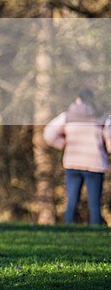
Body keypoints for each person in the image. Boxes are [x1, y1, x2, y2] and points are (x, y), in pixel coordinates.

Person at [44, 88, 109, 225]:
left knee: (72, 200)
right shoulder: (101, 117)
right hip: (95, 163)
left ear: (78, 99)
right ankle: (95, 229)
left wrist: (62, 143)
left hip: (72, 162)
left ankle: (68, 226)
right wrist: (106, 149)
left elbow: (48, 134)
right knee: (94, 202)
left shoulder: (67, 116)